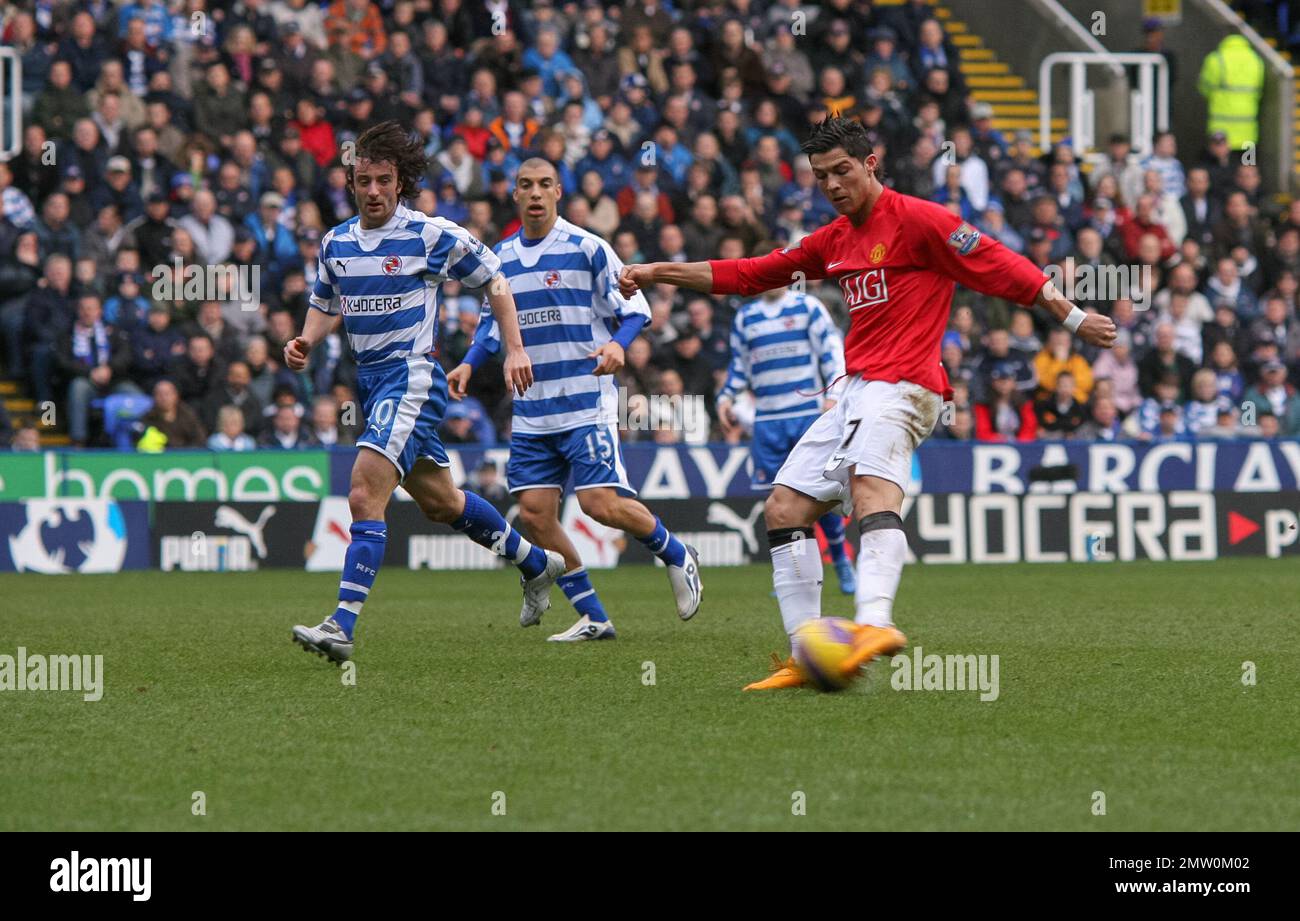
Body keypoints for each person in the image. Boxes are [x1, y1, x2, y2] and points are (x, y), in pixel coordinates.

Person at [619, 118, 1116, 690]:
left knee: (869, 490)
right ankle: (807, 654)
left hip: (907, 385)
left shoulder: (921, 219)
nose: (831, 184)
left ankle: (875, 623)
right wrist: (659, 272)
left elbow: (1001, 264)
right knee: (783, 509)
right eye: (820, 176)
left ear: (870, 164)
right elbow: (750, 275)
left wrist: (1072, 317)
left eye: (842, 171)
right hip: (855, 390)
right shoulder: (832, 240)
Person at [286, 122, 564, 665]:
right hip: (373, 383)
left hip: (412, 376)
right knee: (442, 503)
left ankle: (341, 625)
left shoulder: (430, 235)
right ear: (352, 181)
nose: (372, 191)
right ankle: (536, 562)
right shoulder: (336, 242)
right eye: (363, 180)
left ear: (400, 183)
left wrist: (513, 347)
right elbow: (325, 303)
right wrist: (305, 340)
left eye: (383, 180)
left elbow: (496, 279)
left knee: (365, 493)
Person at [450, 158, 702, 642]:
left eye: (545, 184)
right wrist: (468, 362)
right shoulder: (498, 258)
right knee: (536, 515)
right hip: (532, 411)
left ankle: (676, 554)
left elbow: (634, 308)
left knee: (601, 505)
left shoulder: (587, 247)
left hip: (585, 404)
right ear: (517, 195)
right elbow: (491, 323)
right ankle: (593, 617)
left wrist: (616, 345)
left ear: (559, 192)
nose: (536, 193)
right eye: (526, 185)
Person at [716, 284, 856, 595]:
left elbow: (832, 351)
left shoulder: (807, 307)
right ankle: (793, 573)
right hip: (767, 420)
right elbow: (740, 366)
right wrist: (725, 397)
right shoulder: (746, 317)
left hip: (807, 414)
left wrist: (834, 395)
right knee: (779, 502)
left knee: (817, 494)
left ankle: (841, 561)